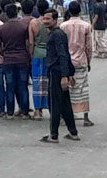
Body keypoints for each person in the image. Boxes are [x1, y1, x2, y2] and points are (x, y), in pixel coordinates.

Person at [39, 8, 79, 143]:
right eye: (44, 18)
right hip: (60, 71)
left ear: (55, 20)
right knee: (65, 103)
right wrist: (69, 73)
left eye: (48, 19)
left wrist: (64, 75)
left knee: (54, 103)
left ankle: (54, 134)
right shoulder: (57, 34)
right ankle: (73, 132)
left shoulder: (57, 34)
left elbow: (63, 55)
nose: (45, 21)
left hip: (56, 72)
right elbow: (66, 54)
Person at [61, 1, 94, 125]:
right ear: (80, 11)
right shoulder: (86, 26)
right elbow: (88, 46)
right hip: (81, 60)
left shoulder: (63, 26)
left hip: (67, 61)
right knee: (83, 88)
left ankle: (66, 115)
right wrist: (88, 60)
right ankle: (85, 117)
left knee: (66, 88)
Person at [0, 1, 31, 120]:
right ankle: (25, 112)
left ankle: (10, 113)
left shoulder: (2, 28)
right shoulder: (23, 27)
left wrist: (3, 53)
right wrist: (29, 57)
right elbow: (28, 44)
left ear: (6, 14)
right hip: (22, 59)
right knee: (23, 86)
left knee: (10, 86)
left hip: (8, 60)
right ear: (17, 12)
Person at [29, 0, 51, 120]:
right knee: (49, 82)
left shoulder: (33, 23)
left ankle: (37, 111)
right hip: (49, 55)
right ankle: (51, 108)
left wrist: (31, 55)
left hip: (37, 54)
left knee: (37, 83)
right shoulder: (51, 22)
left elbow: (31, 42)